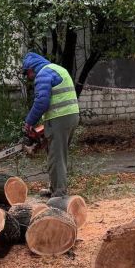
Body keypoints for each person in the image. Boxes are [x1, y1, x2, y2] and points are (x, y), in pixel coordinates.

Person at [22, 52, 80, 198]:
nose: (28, 77)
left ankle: (59, 194)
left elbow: (42, 102)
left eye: (27, 73)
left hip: (60, 118)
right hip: (70, 116)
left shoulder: (43, 74)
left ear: (31, 68)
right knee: (56, 154)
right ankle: (55, 187)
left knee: (56, 157)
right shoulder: (56, 69)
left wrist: (29, 122)